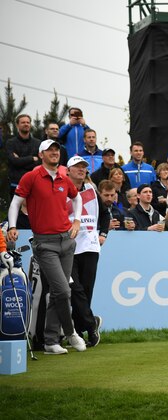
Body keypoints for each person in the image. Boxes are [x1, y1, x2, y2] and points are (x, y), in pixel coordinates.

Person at [7, 139, 87, 355]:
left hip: (66, 241)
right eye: (49, 150)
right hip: (44, 243)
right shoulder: (31, 176)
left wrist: (77, 220)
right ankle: (70, 333)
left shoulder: (63, 177)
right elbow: (15, 203)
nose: (54, 153)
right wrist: (13, 226)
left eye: (56, 150)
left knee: (56, 293)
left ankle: (51, 341)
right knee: (63, 290)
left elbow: (77, 197)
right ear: (41, 154)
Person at [65, 156, 107, 347]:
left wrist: (104, 233)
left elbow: (105, 214)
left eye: (83, 167)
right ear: (68, 171)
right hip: (68, 247)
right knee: (75, 289)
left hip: (90, 246)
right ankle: (91, 324)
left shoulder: (91, 190)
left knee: (86, 291)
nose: (81, 170)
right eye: (77, 167)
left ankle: (80, 330)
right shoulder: (61, 191)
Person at [6, 114, 41, 197]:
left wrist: (20, 160)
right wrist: (32, 158)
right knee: (16, 209)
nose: (26, 124)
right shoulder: (10, 143)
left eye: (28, 122)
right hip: (16, 183)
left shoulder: (38, 143)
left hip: (34, 183)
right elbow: (14, 162)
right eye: (23, 122)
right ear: (17, 125)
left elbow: (40, 162)